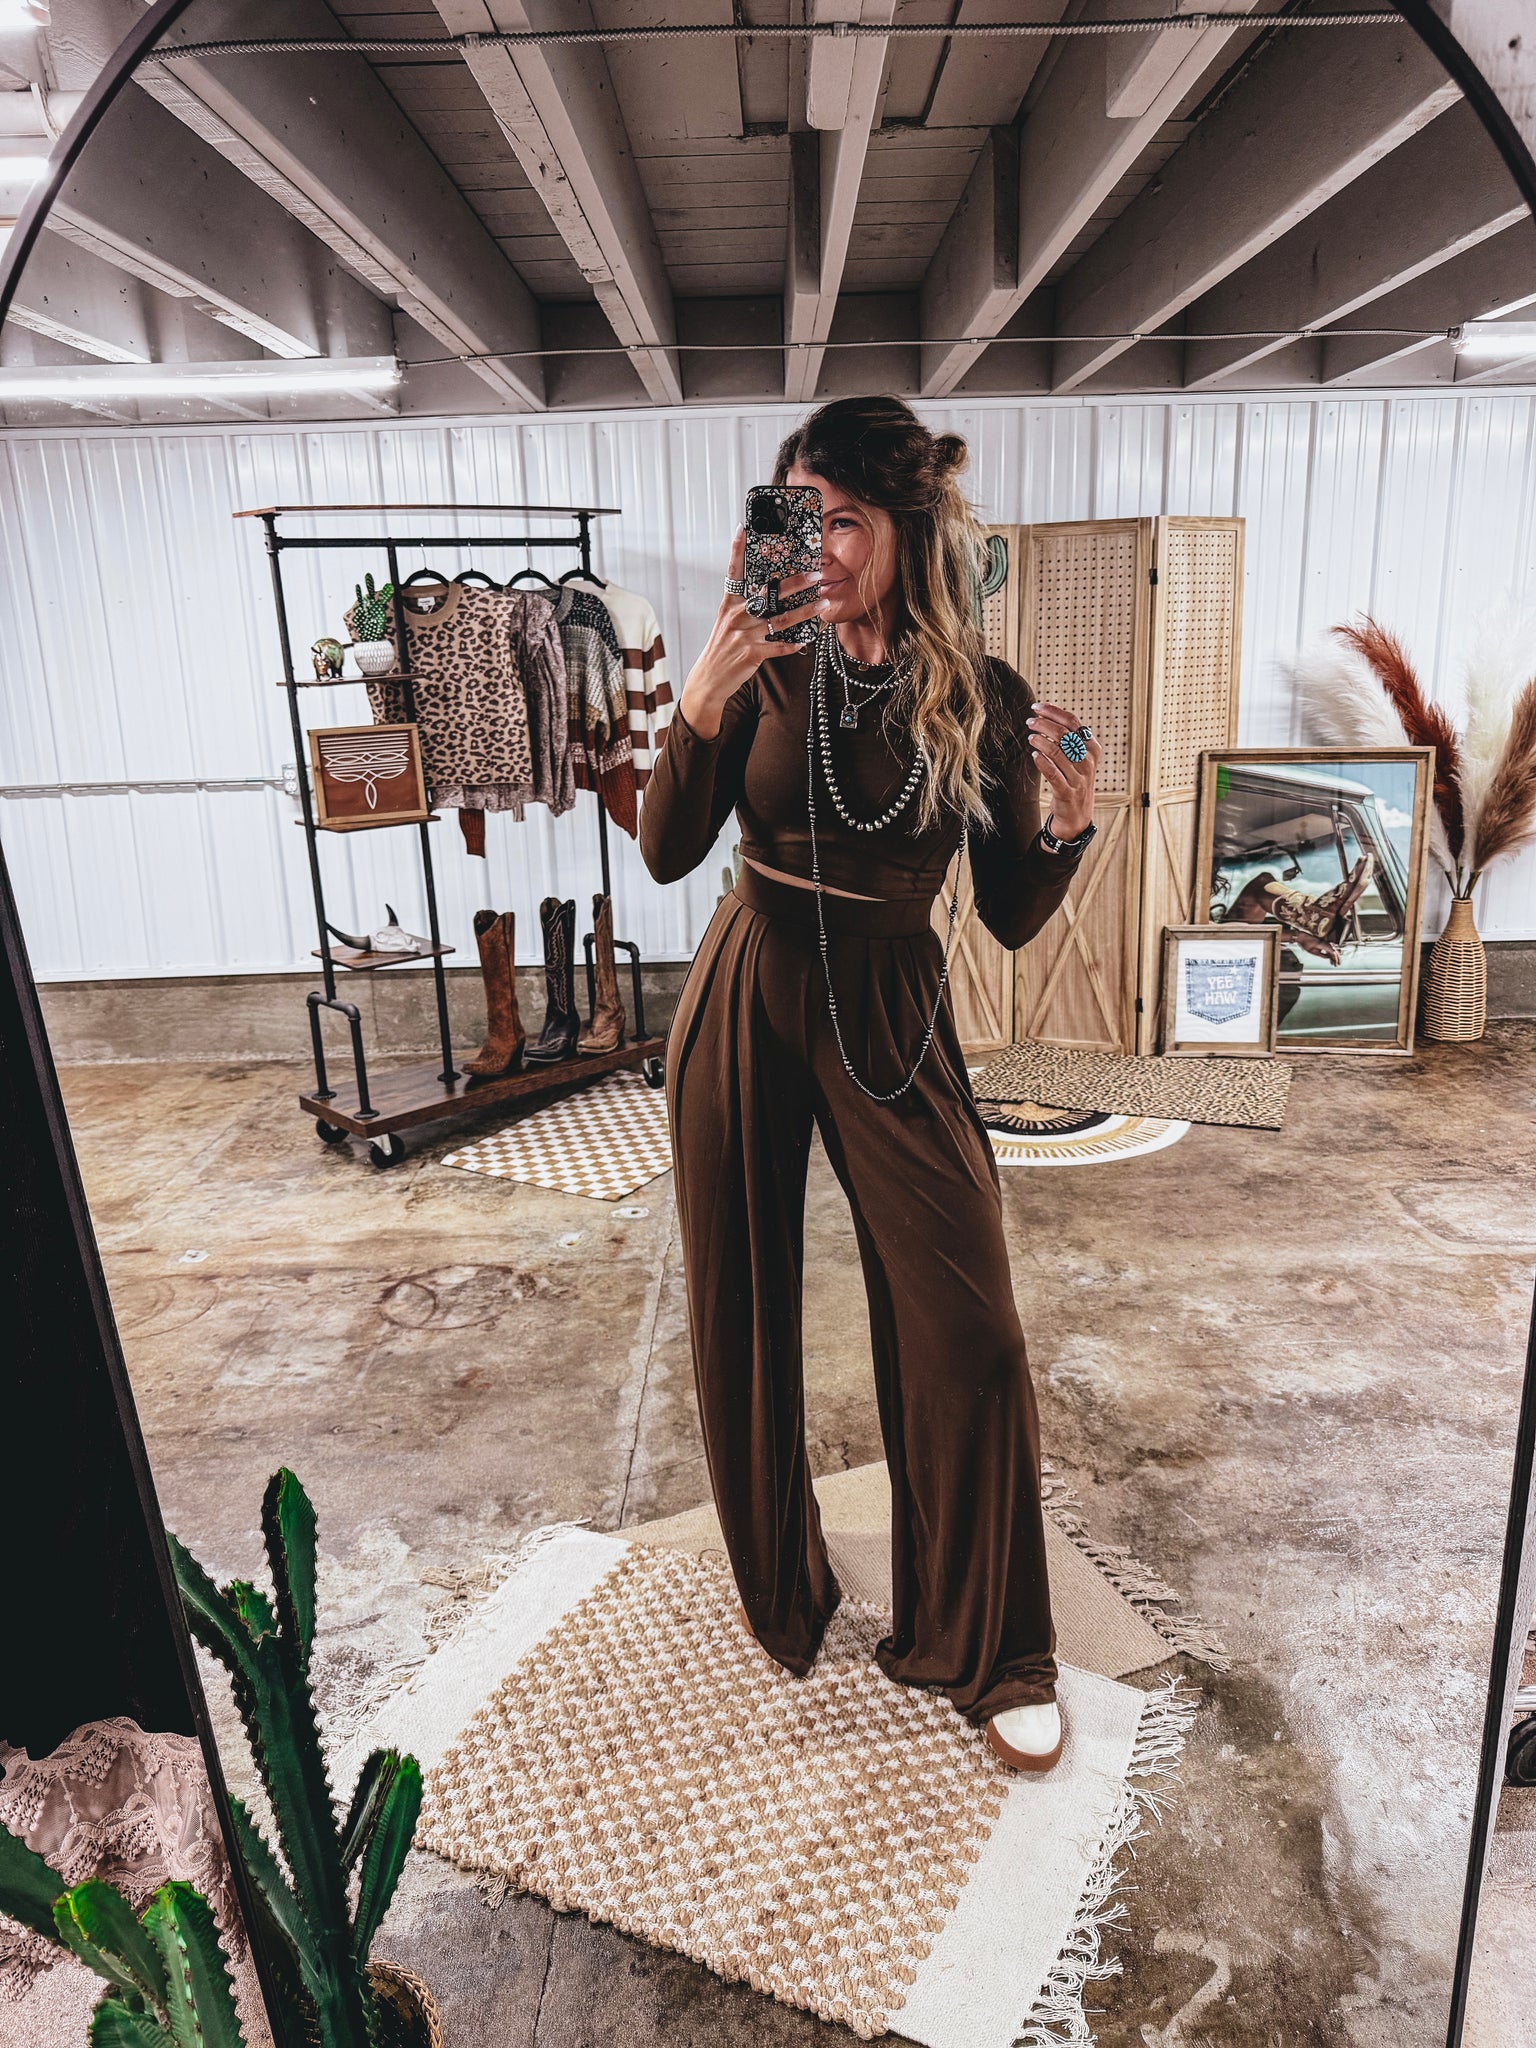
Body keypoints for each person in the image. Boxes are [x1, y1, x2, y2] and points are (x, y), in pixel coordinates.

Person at [638, 396, 1102, 1772]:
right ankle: (779, 1585)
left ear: (908, 527)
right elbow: (666, 852)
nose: (822, 548)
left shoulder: (982, 694)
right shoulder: (763, 661)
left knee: (972, 1328)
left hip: (893, 1005)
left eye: (846, 521)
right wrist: (697, 706)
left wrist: (1069, 827)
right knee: (740, 1298)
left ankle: (992, 1643)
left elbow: (1007, 913)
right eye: (803, 517)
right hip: (748, 981)